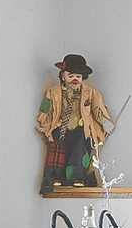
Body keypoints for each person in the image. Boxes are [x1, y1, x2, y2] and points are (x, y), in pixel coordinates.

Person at [35, 53, 114, 191]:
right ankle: (55, 177)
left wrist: (106, 124)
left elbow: (98, 110)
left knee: (79, 151)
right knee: (57, 149)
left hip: (81, 129)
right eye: (71, 76)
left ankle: (77, 177)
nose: (75, 79)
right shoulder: (53, 92)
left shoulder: (90, 93)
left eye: (78, 76)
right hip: (60, 127)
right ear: (63, 76)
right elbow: (45, 109)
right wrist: (45, 125)